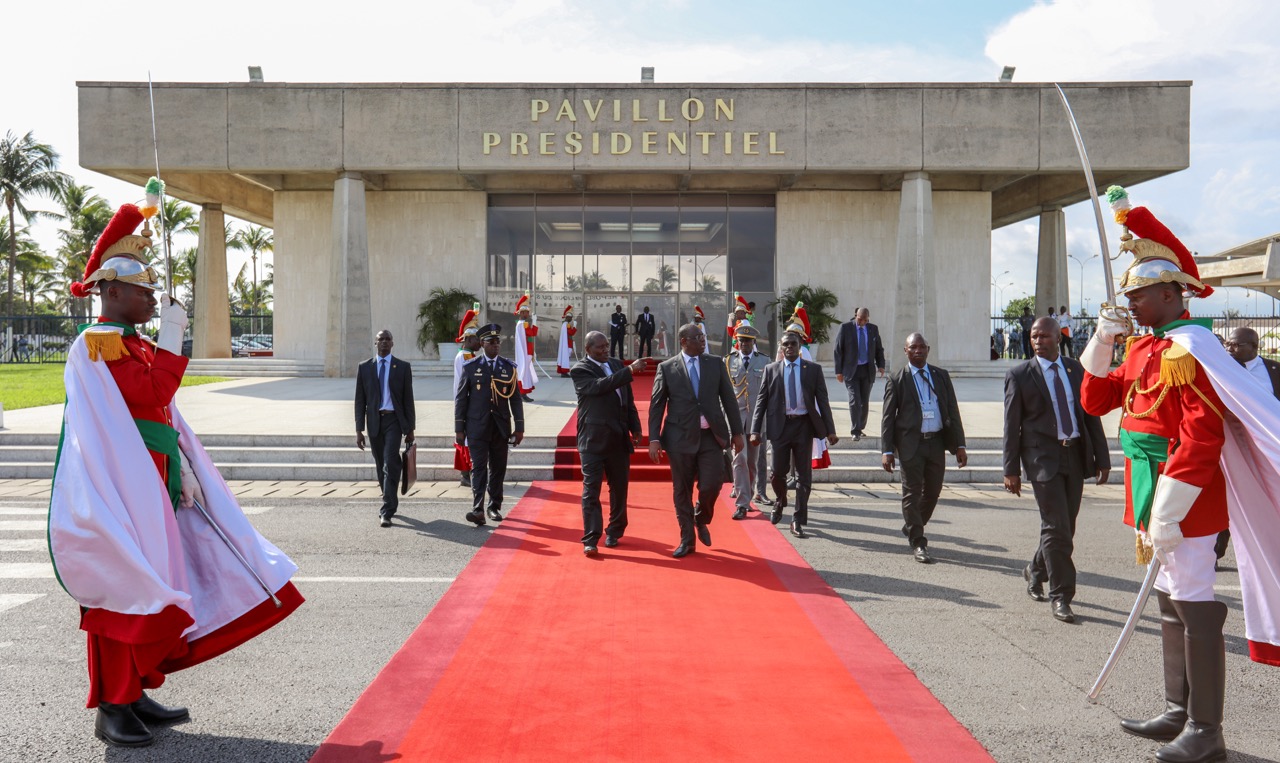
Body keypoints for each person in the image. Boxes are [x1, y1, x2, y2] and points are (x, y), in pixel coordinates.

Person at [48, 200, 302, 748]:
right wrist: (174, 331)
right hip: (119, 487)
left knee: (153, 586)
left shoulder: (130, 343)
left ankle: (134, 690)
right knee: (123, 591)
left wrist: (182, 464)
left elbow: (160, 415)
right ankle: (111, 706)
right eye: (142, 290)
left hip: (151, 480)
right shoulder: (100, 343)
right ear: (111, 291)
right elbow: (154, 393)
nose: (151, 298)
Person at [1079, 187, 1280, 763]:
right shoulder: (1145, 347)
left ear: (1172, 294)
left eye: (1140, 296)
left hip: (1183, 494)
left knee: (1193, 600)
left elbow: (1201, 437)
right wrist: (1103, 338)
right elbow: (1096, 401)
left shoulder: (1188, 349)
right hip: (1147, 488)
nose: (1133, 304)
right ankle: (1177, 709)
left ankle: (1207, 730)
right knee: (1169, 597)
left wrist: (1170, 510)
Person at [1003, 317, 1111, 624]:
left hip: (1074, 456)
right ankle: (1061, 596)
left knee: (1066, 527)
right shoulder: (1019, 374)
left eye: (1044, 336)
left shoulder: (1075, 369)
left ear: (1058, 338)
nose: (1038, 341)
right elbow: (1011, 426)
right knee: (1056, 528)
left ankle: (1035, 570)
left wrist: (1102, 458)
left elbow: (1090, 414)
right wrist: (1010, 469)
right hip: (1041, 461)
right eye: (1034, 336)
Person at [648, 323, 744, 558]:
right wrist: (653, 438)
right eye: (697, 337)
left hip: (711, 436)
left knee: (712, 484)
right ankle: (687, 540)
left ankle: (700, 518)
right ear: (683, 341)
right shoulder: (667, 368)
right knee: (682, 489)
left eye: (703, 336)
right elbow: (657, 405)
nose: (703, 340)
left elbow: (729, 399)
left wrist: (737, 432)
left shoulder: (715, 363)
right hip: (679, 438)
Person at [881, 333, 967, 563]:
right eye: (913, 347)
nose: (918, 350)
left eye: (922, 347)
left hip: (937, 442)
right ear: (905, 350)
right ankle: (918, 542)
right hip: (911, 444)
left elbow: (952, 409)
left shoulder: (941, 375)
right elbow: (888, 417)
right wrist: (886, 450)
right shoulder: (897, 378)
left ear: (928, 349)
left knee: (933, 492)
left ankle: (912, 525)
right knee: (911, 492)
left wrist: (960, 444)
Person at [751, 330, 838, 537]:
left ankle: (798, 519)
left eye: (793, 344)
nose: (789, 347)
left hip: (803, 427)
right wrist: (755, 430)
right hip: (780, 427)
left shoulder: (812, 370)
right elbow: (761, 401)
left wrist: (830, 430)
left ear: (800, 347)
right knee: (777, 475)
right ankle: (780, 500)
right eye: (785, 344)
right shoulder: (771, 370)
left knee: (803, 476)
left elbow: (823, 401)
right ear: (781, 348)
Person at [572, 331, 647, 555]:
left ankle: (615, 530)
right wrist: (630, 370)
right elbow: (599, 386)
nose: (605, 350)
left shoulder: (615, 364)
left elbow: (628, 400)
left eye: (607, 346)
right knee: (591, 491)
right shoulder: (580, 369)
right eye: (600, 347)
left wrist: (636, 426)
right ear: (588, 350)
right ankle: (591, 538)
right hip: (593, 440)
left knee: (620, 488)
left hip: (618, 437)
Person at [1220, 326, 1280, 568]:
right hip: (1232, 446)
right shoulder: (1222, 369)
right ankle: (1217, 550)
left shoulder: (1274, 370)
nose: (1230, 349)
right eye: (1228, 344)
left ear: (1255, 348)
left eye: (1236, 345)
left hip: (1267, 447)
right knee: (1228, 499)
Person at [456, 323, 525, 526]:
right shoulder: (471, 367)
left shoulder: (508, 367)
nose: (495, 346)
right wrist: (459, 428)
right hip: (477, 426)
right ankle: (478, 509)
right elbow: (461, 399)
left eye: (498, 342)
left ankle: (494, 506)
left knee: (498, 468)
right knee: (478, 468)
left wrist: (519, 427)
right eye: (491, 342)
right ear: (483, 344)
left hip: (500, 427)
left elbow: (515, 399)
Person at [356, 330, 416, 528]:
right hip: (374, 421)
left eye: (387, 339)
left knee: (389, 461)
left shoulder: (403, 367)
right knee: (381, 462)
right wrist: (359, 429)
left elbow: (408, 400)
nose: (384, 342)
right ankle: (389, 494)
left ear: (393, 343)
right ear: (375, 343)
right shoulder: (364, 368)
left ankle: (387, 509)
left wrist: (410, 429)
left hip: (394, 421)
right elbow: (360, 401)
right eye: (380, 339)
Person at [726, 323, 770, 519]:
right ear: (737, 342)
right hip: (736, 419)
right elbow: (724, 394)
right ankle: (742, 503)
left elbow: (769, 393)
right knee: (740, 458)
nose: (744, 344)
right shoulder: (728, 361)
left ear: (754, 343)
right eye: (741, 340)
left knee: (752, 462)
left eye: (748, 341)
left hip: (757, 421)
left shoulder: (765, 362)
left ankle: (747, 494)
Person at [833, 307, 886, 441]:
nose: (862, 322)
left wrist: (881, 365)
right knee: (854, 399)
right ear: (855, 316)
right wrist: (838, 371)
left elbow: (879, 348)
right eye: (860, 319)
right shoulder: (845, 328)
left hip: (867, 370)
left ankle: (861, 426)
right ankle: (855, 430)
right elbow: (838, 350)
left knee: (864, 401)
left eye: (865, 320)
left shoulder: (873, 329)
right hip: (851, 370)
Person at [452, 306, 482, 488]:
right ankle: (465, 474)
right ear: (469, 339)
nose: (480, 342)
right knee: (466, 438)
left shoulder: (469, 355)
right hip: (466, 403)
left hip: (472, 403)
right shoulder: (464, 357)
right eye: (477, 339)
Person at [512, 293, 538, 402]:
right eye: (526, 312)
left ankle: (523, 393)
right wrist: (535, 322)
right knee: (524, 372)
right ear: (521, 312)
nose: (528, 313)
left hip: (527, 352)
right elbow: (532, 333)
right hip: (525, 352)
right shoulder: (523, 324)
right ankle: (522, 393)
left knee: (525, 373)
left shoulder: (522, 323)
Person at [556, 305, 577, 376]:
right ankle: (564, 372)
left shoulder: (564, 324)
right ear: (567, 317)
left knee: (565, 357)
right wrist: (574, 326)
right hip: (567, 344)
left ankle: (563, 371)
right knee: (566, 357)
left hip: (567, 343)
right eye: (570, 318)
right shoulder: (567, 325)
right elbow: (571, 332)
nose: (571, 319)